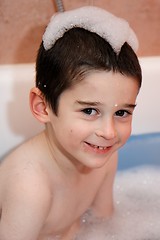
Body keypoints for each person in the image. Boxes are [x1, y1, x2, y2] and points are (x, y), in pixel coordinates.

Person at [0, 6, 142, 240]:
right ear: (43, 107)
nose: (109, 132)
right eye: (89, 110)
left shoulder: (104, 156)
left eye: (122, 113)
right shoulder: (30, 187)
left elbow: (106, 221)